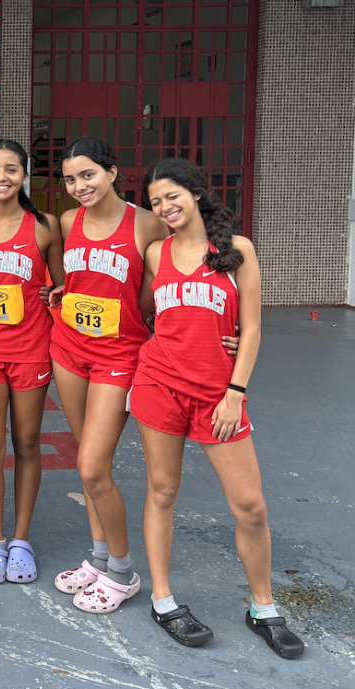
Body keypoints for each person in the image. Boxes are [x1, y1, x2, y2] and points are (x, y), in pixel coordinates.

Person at [135, 159, 303, 658]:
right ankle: (163, 602)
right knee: (162, 493)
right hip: (158, 385)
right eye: (155, 202)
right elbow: (144, 311)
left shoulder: (237, 251)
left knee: (249, 506)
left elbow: (250, 329)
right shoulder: (154, 253)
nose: (164, 208)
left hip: (218, 394)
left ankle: (264, 607)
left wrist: (236, 390)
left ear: (195, 192)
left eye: (172, 196)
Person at [47, 137, 161, 612]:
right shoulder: (70, 221)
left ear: (113, 172)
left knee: (94, 467)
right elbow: (76, 281)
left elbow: (160, 291)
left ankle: (122, 571)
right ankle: (97, 558)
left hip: (120, 353)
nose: (78, 186)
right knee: (86, 462)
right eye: (71, 179)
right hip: (69, 348)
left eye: (88, 174)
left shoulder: (147, 223)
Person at [0, 140, 63, 585]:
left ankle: (21, 540)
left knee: (25, 443)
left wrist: (52, 294)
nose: (0, 177)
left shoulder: (44, 226)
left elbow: (63, 284)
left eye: (11, 169)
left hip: (31, 349)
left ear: (25, 176)